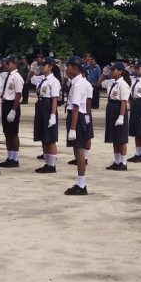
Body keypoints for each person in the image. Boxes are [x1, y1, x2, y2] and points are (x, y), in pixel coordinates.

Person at [64, 56, 93, 195]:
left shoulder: (79, 84)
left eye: (68, 66)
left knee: (79, 151)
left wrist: (73, 128)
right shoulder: (76, 82)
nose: (66, 69)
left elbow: (76, 107)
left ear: (75, 68)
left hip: (77, 117)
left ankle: (82, 185)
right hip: (76, 116)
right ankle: (80, 183)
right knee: (77, 151)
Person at [34, 57, 61, 174]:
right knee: (43, 137)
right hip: (40, 105)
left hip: (48, 106)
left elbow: (54, 99)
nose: (42, 67)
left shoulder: (53, 81)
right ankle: (47, 163)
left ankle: (52, 164)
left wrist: (53, 114)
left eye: (44, 65)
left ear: (50, 67)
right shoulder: (42, 79)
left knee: (50, 138)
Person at [0, 54, 25, 168]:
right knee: (7, 132)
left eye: (8, 63)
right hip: (5, 103)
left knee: (13, 133)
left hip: (12, 104)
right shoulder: (8, 75)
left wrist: (14, 110)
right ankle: (9, 157)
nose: (6, 65)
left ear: (14, 64)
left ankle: (15, 158)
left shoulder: (17, 77)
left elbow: (18, 94)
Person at [104, 62, 131, 171]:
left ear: (120, 72)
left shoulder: (123, 84)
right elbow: (100, 83)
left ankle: (123, 162)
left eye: (114, 70)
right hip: (111, 108)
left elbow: (124, 102)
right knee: (114, 137)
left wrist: (121, 116)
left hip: (119, 109)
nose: (111, 71)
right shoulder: (113, 83)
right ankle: (117, 161)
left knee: (121, 138)